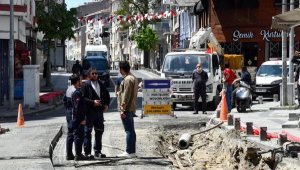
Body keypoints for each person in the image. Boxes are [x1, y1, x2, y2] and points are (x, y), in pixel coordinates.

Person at [81, 68, 110, 159]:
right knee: (87, 132)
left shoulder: (101, 84)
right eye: (93, 73)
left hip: (99, 113)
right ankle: (87, 153)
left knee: (99, 131)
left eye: (96, 73)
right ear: (89, 75)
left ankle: (97, 151)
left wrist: (106, 105)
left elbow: (107, 95)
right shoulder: (85, 85)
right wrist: (93, 102)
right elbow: (83, 99)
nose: (95, 75)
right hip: (89, 113)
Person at [117, 61, 138, 158]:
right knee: (131, 130)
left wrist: (122, 109)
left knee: (128, 130)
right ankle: (132, 151)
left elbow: (126, 96)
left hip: (127, 109)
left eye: (119, 68)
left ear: (121, 69)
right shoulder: (132, 77)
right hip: (131, 108)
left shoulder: (128, 80)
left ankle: (129, 151)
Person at [70, 74, 88, 161]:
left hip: (78, 118)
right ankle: (78, 155)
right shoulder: (76, 93)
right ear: (77, 82)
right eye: (80, 80)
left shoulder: (78, 91)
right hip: (78, 119)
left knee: (80, 136)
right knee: (78, 136)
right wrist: (82, 119)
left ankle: (79, 153)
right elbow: (77, 108)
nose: (81, 82)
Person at [62, 75, 76, 160]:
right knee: (73, 134)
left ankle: (69, 154)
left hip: (68, 113)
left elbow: (64, 100)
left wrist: (67, 109)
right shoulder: (74, 90)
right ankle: (72, 154)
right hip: (72, 115)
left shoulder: (68, 89)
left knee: (70, 134)